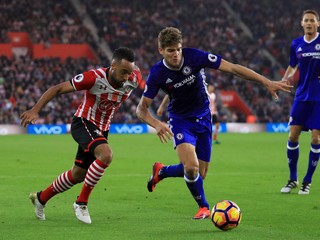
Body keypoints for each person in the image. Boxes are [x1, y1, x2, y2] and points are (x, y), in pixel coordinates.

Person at [136, 27, 292, 219]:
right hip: (180, 120)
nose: (176, 54)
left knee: (200, 173)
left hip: (204, 117)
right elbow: (141, 109)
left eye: (178, 49)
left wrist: (266, 82)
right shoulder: (157, 73)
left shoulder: (194, 56)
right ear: (161, 50)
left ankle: (162, 171)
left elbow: (233, 68)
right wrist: (157, 124)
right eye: (170, 50)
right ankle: (204, 207)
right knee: (191, 167)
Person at [20, 47, 142, 224]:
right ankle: (81, 202)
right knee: (106, 154)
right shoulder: (93, 77)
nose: (126, 77)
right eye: (123, 72)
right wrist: (35, 110)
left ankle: (40, 198)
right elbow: (57, 88)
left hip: (102, 129)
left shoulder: (133, 78)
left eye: (129, 72)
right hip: (83, 122)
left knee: (78, 175)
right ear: (113, 65)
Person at [280, 9, 320, 195]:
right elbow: (292, 65)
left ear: (318, 23)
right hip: (301, 96)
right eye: (306, 20)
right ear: (302, 23)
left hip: (318, 99)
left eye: (312, 20)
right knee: (292, 136)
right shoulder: (296, 44)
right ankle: (292, 179)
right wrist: (285, 79)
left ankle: (307, 181)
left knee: (316, 138)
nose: (309, 23)